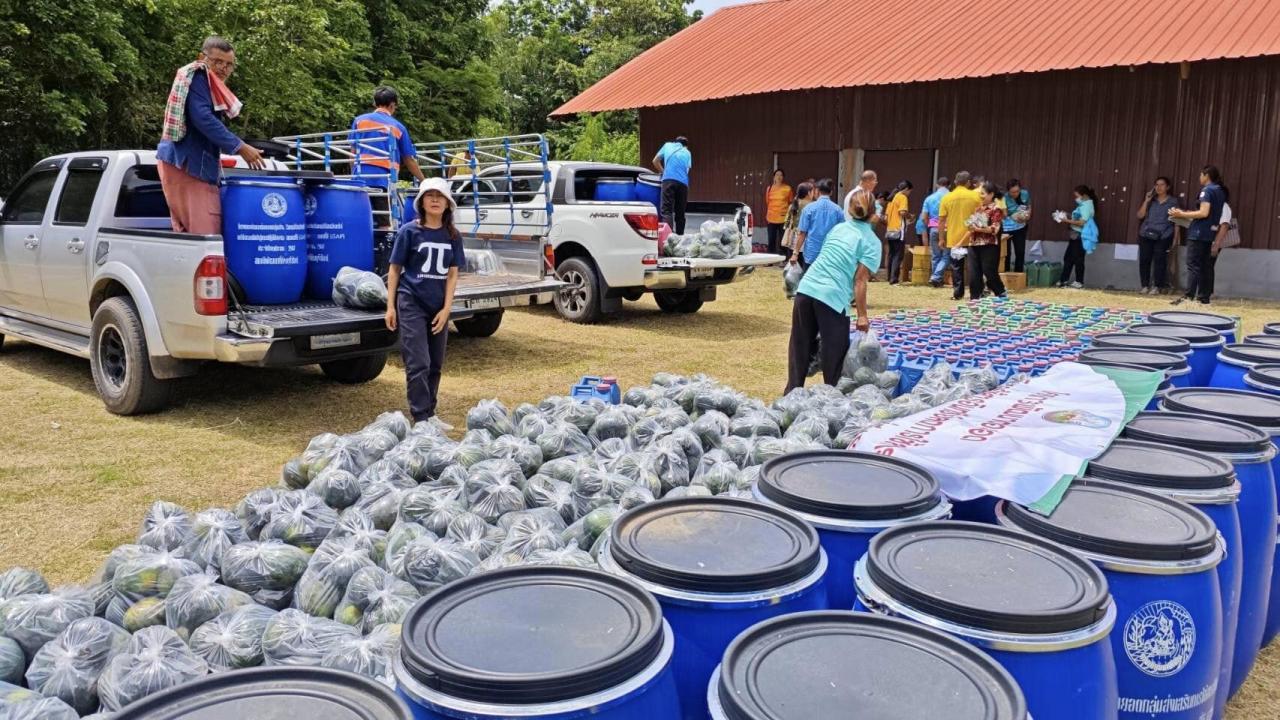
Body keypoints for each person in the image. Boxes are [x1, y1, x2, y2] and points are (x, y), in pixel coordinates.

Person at [156, 36, 264, 235]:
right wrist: (240, 147)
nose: (224, 68)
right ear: (202, 58)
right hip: (186, 164)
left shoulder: (209, 83)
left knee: (186, 232)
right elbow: (203, 118)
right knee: (206, 234)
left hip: (179, 161)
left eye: (229, 64)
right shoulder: (199, 78)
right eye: (218, 61)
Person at [785, 188, 881, 392]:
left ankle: (790, 397)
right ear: (873, 213)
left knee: (799, 348)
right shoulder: (871, 242)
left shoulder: (839, 229)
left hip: (806, 289)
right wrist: (862, 316)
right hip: (832, 298)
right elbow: (860, 281)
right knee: (834, 356)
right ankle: (833, 403)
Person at [384, 177, 464, 422]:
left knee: (436, 364)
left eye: (440, 196)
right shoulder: (409, 231)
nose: (435, 200)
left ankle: (430, 412)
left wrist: (446, 309)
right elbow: (395, 270)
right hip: (411, 303)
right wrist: (390, 307)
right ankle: (420, 419)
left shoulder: (453, 235)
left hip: (438, 305)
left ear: (448, 203)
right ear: (421, 202)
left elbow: (452, 274)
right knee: (419, 362)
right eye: (430, 196)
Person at [1170, 166, 1227, 305]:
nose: (1199, 177)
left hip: (1198, 232)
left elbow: (1203, 212)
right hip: (1210, 232)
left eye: (1201, 175)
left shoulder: (1207, 190)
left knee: (1193, 265)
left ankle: (1188, 297)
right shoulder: (1220, 191)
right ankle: (1203, 297)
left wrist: (1181, 214)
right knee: (1204, 265)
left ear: (1206, 175)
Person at [351, 86, 426, 183]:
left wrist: (354, 176)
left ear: (375, 103)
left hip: (360, 175)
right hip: (385, 177)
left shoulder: (359, 120)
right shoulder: (398, 127)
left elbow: (352, 153)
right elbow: (409, 160)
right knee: (381, 198)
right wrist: (424, 181)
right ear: (392, 105)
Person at [937, 171, 982, 300]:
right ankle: (976, 293)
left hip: (954, 238)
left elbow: (941, 220)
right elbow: (981, 216)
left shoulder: (947, 198)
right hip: (974, 237)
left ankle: (958, 293)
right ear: (968, 183)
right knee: (975, 267)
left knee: (957, 268)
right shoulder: (975, 196)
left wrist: (941, 238)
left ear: (956, 182)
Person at [963, 182, 1008, 300]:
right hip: (974, 243)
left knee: (989, 271)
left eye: (983, 194)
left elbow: (995, 229)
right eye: (980, 194)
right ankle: (975, 297)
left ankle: (1000, 292)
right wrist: (970, 226)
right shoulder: (978, 209)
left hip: (989, 245)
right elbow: (971, 224)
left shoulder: (996, 209)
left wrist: (977, 228)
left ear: (991, 194)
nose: (981, 196)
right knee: (974, 272)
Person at [1135, 176, 1179, 294]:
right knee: (1144, 259)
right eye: (1156, 185)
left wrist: (1175, 239)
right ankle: (1144, 285)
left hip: (1164, 234)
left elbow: (1176, 221)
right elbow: (1140, 215)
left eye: (1162, 185)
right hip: (1146, 233)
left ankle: (1157, 286)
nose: (1159, 187)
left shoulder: (1173, 201)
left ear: (1168, 187)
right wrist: (1146, 201)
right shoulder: (1151, 201)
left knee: (1160, 259)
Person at [790, 178, 845, 270]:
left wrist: (795, 253)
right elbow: (842, 233)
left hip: (812, 253)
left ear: (817, 191)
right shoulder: (838, 210)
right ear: (831, 192)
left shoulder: (809, 209)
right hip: (830, 253)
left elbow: (802, 233)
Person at [1060, 185, 1098, 288]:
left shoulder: (1086, 206)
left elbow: (1081, 222)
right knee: (1068, 258)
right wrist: (1066, 215)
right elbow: (1077, 217)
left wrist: (1066, 220)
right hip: (1075, 235)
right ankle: (1064, 280)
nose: (1076, 198)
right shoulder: (1084, 204)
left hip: (1080, 235)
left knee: (1077, 259)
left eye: (1077, 196)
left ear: (1084, 195)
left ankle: (1079, 281)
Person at [653, 136, 692, 233]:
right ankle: (680, 239)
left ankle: (669, 238)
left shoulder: (667, 145)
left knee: (667, 211)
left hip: (669, 180)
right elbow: (687, 170)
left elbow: (655, 161)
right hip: (683, 183)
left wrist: (664, 171)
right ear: (685, 146)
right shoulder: (687, 152)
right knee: (680, 212)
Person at [920, 177, 950, 286]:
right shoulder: (951, 197)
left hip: (933, 227)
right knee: (946, 255)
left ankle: (936, 278)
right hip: (947, 227)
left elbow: (924, 217)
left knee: (936, 255)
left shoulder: (929, 198)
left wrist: (931, 224)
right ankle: (936, 276)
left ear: (937, 185)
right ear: (949, 185)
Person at [884, 181, 913, 284]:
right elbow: (902, 212)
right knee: (898, 255)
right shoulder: (902, 197)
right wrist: (910, 216)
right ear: (906, 189)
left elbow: (886, 217)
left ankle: (889, 277)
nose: (909, 194)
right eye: (910, 191)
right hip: (898, 230)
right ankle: (894, 279)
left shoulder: (891, 199)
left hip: (890, 230)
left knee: (891, 254)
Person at [1002, 179, 1032, 272]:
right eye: (1013, 192)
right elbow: (1004, 213)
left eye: (1017, 191)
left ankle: (1018, 274)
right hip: (1007, 228)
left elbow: (1029, 206)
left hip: (1020, 227)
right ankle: (1005, 274)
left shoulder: (1025, 194)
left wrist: (1028, 215)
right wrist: (1014, 216)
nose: (1015, 193)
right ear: (1008, 191)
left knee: (1020, 251)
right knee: (1006, 253)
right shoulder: (1004, 197)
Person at [763, 169, 794, 255]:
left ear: (783, 177)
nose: (779, 177)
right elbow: (767, 202)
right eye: (777, 175)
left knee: (782, 240)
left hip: (783, 218)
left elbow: (790, 203)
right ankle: (770, 259)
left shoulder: (787, 188)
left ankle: (783, 258)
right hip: (771, 217)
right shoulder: (769, 188)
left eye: (781, 175)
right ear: (774, 177)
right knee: (771, 239)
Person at [781, 181, 815, 251]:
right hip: (806, 238)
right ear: (809, 193)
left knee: (794, 259)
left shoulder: (793, 204)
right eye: (813, 191)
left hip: (792, 238)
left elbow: (786, 222)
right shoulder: (812, 205)